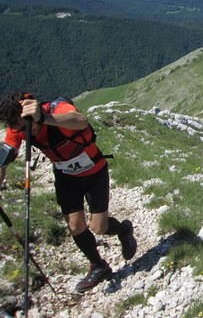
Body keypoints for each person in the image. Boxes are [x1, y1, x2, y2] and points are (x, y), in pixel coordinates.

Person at [0, 92, 137, 293]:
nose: (29, 131)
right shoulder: (18, 127)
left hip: (94, 172)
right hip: (65, 176)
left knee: (99, 227)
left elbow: (80, 121)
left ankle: (124, 230)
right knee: (75, 226)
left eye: (27, 126)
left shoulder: (55, 110)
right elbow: (5, 156)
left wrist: (44, 118)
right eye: (19, 128)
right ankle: (98, 265)